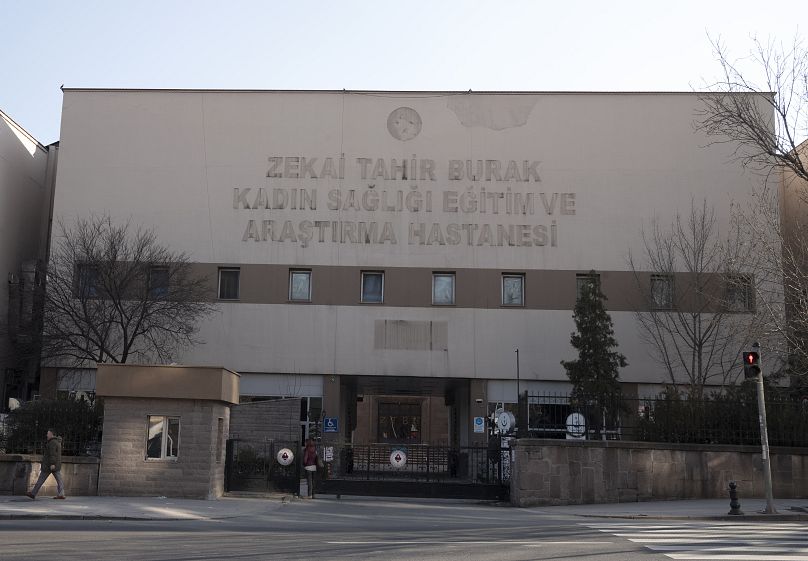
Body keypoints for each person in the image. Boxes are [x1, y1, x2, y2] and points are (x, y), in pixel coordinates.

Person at [26, 429, 65, 500]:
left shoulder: (52, 442)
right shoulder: (57, 442)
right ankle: (61, 494)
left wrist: (52, 463)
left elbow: (52, 454)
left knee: (41, 480)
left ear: (52, 434)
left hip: (49, 465)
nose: (47, 435)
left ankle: (33, 493)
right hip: (55, 465)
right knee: (59, 480)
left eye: (48, 433)